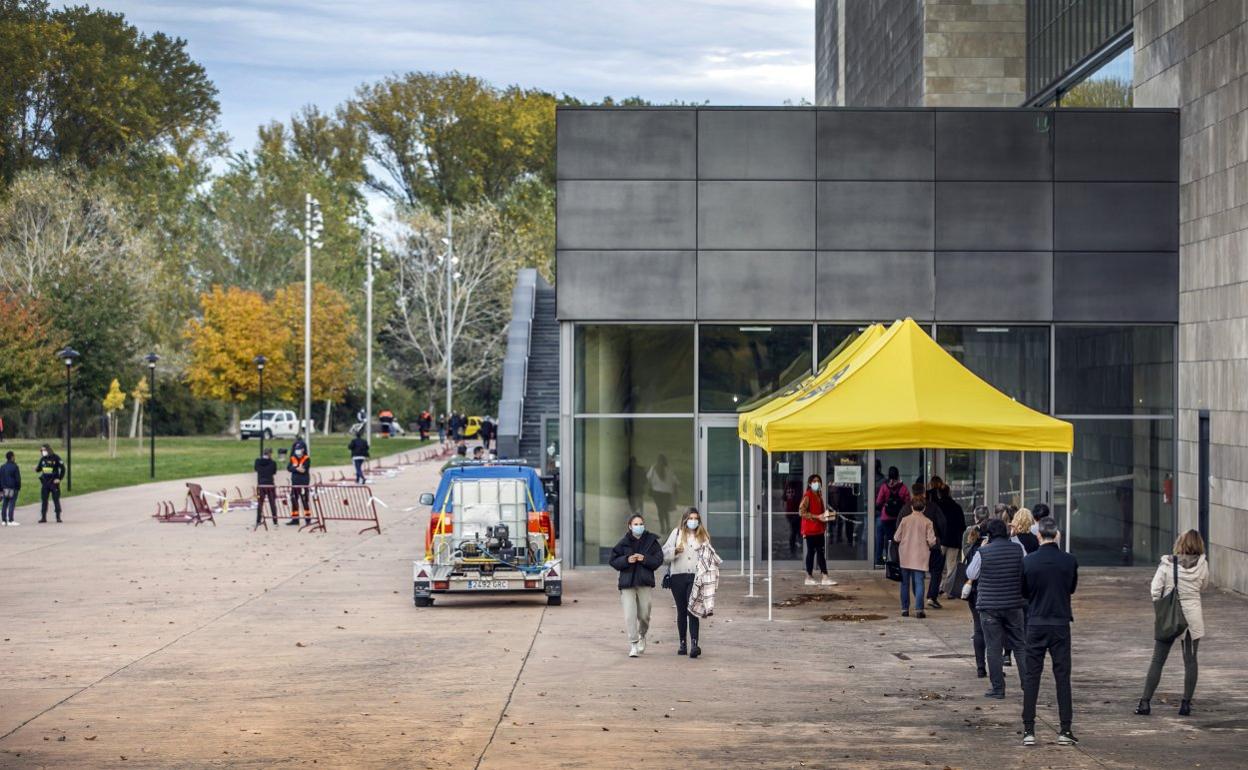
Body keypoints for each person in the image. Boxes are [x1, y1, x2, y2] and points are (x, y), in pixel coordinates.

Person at [1136, 530, 1209, 718]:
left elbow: (1155, 589)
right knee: (1191, 660)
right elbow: (1204, 586)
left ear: (1180, 542)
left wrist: (1163, 603)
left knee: (1158, 659)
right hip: (1192, 618)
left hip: (1169, 617)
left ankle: (1145, 702)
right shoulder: (1202, 564)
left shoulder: (1167, 565)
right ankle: (1185, 704)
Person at [1021, 516, 1080, 747]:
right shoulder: (1069, 561)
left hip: (1035, 622)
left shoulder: (1028, 562)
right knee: (1062, 677)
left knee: (1031, 677)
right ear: (1057, 535)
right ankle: (1065, 729)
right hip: (1060, 623)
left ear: (1038, 536)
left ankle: (1028, 730)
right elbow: (1071, 588)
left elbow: (1023, 591)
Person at [966, 518, 1028, 699]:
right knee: (1019, 645)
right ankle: (1027, 685)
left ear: (989, 535)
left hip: (989, 606)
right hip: (1014, 604)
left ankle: (998, 688)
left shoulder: (983, 552)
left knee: (993, 647)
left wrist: (983, 547)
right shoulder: (1018, 549)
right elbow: (1026, 568)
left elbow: (971, 573)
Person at [662, 507, 717, 658]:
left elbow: (709, 557)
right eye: (690, 519)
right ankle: (682, 643)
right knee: (681, 610)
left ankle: (694, 644)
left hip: (695, 577)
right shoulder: (677, 533)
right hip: (677, 576)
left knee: (692, 609)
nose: (693, 521)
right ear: (685, 520)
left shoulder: (703, 536)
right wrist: (675, 551)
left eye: (696, 519)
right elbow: (664, 554)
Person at [609, 514, 664, 658]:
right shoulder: (624, 542)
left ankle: (642, 635)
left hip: (645, 582)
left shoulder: (651, 541)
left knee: (644, 614)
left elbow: (658, 560)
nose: (639, 526)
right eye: (636, 524)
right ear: (630, 526)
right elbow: (613, 560)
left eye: (641, 524)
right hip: (627, 583)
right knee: (630, 615)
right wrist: (627, 559)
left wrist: (644, 559)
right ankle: (633, 644)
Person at [894, 498, 936, 618]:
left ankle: (904, 609)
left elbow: (896, 537)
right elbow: (932, 541)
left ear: (911, 507)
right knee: (919, 583)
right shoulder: (928, 522)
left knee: (904, 584)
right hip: (920, 557)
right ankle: (919, 609)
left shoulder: (905, 520)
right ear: (924, 508)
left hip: (905, 555)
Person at [963, 506, 991, 678]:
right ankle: (994, 665)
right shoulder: (998, 547)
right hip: (994, 593)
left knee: (979, 628)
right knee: (994, 631)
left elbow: (970, 572)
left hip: (976, 592)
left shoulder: (974, 546)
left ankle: (981, 667)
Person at [799, 474, 836, 586]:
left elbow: (820, 512)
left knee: (820, 552)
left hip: (819, 529)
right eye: (814, 481)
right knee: (812, 552)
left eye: (818, 481)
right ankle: (809, 577)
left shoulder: (818, 495)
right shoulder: (808, 496)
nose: (817, 483)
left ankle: (824, 576)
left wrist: (826, 516)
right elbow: (801, 512)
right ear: (810, 484)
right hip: (811, 530)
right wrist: (817, 516)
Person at [875, 466, 910, 565]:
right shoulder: (903, 487)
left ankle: (887, 558)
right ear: (898, 475)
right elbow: (908, 502)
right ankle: (898, 558)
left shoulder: (884, 487)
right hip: (899, 518)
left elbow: (878, 502)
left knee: (887, 538)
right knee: (898, 538)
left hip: (886, 517)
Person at [937, 483, 966, 594]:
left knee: (938, 566)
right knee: (951, 566)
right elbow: (962, 525)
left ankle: (938, 587)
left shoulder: (937, 506)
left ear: (939, 494)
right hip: (954, 540)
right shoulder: (957, 507)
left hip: (941, 540)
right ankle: (949, 590)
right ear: (949, 493)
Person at [922, 483, 946, 608]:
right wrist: (940, 538)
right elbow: (942, 524)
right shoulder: (934, 508)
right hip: (933, 545)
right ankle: (931, 596)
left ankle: (919, 599)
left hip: (918, 546)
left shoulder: (908, 508)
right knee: (936, 571)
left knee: (918, 572)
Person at [646, 454, 678, 534]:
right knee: (665, 510)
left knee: (660, 510)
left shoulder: (654, 468)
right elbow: (674, 480)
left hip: (656, 492)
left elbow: (648, 477)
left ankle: (662, 528)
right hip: (667, 493)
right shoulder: (669, 469)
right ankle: (667, 526)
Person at [34, 444, 64, 523]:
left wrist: (59, 479)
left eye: (43, 450)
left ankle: (58, 517)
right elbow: (39, 469)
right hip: (45, 483)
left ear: (48, 450)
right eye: (41, 450)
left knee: (55, 499)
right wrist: (36, 469)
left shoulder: (56, 457)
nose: (42, 452)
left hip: (54, 482)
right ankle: (43, 517)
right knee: (44, 500)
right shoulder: (43, 459)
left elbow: (63, 468)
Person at [286, 444, 312, 526]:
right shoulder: (293, 458)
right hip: (295, 482)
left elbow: (303, 470)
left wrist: (295, 468)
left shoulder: (306, 458)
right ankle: (295, 519)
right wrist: (297, 468)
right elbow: (288, 468)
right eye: (296, 449)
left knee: (304, 500)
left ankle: (308, 519)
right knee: (294, 499)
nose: (297, 451)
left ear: (303, 450)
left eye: (299, 449)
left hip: (303, 482)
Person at [254, 449, 279, 527]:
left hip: (261, 484)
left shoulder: (257, 461)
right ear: (270, 454)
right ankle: (275, 521)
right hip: (270, 484)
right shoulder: (273, 463)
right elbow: (274, 472)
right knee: (272, 503)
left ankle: (258, 520)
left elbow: (256, 469)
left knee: (260, 504)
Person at [782, 480, 802, 557]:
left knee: (795, 532)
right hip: (794, 512)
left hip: (793, 512)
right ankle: (794, 549)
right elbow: (784, 499)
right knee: (796, 532)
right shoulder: (798, 486)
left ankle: (794, 549)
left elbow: (784, 499)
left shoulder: (790, 486)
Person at [1, 450, 19, 526]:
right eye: (14, 456)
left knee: (5, 504)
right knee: (11, 503)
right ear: (12, 457)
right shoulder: (15, 466)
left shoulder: (2, 467)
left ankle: (4, 520)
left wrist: (0, 489)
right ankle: (11, 520)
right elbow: (18, 479)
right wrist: (18, 487)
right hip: (12, 488)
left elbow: (0, 478)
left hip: (5, 488)